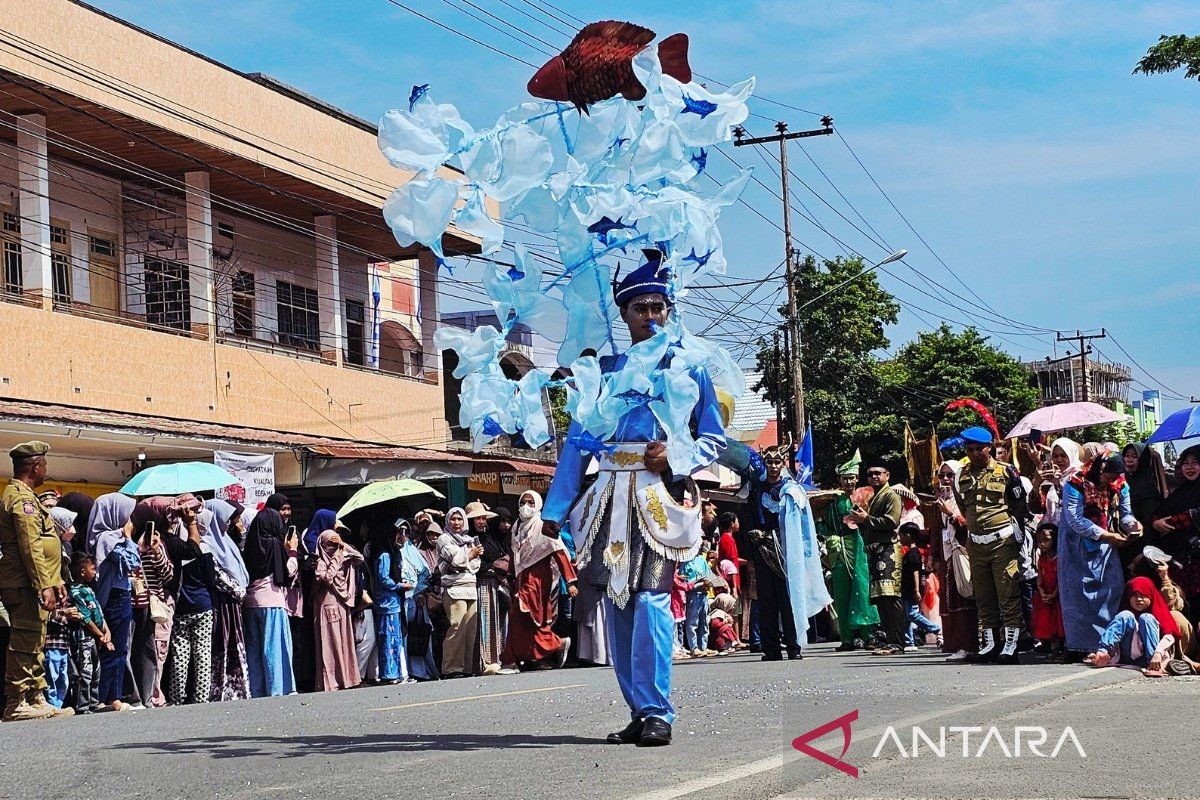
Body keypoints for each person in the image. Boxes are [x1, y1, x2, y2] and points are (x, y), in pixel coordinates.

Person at [541, 254, 726, 747]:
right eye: (640, 308)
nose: (650, 316)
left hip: (657, 498)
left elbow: (714, 437)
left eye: (658, 307)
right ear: (623, 314)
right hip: (607, 498)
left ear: (669, 310)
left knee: (652, 600)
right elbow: (578, 443)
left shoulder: (688, 368)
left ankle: (659, 710)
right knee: (617, 604)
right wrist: (555, 509)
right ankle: (639, 709)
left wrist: (676, 457)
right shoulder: (603, 372)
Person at [1, 442, 72, 721]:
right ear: (35, 467)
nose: (46, 470)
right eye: (44, 465)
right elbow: (30, 545)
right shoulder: (21, 499)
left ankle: (35, 696)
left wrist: (55, 580)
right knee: (25, 640)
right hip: (24, 583)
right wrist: (43, 584)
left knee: (36, 640)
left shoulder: (27, 496)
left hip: (33, 582)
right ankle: (17, 701)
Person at [951, 427, 1029, 664]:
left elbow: (1019, 505)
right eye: (969, 449)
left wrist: (1017, 535)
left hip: (1002, 541)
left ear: (990, 447)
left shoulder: (1006, 471)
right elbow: (963, 507)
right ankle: (991, 644)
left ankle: (1011, 645)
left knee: (1008, 593)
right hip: (976, 543)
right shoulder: (961, 475)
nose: (975, 453)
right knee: (983, 596)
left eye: (979, 449)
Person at [1060, 454, 1139, 657]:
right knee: (1079, 596)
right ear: (1099, 469)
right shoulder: (1075, 483)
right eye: (1108, 476)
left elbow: (1126, 513)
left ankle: (1107, 644)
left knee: (1110, 591)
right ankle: (1080, 647)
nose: (1111, 480)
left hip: (1106, 545)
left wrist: (1134, 526)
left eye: (1115, 476)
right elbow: (1075, 519)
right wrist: (1106, 535)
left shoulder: (1120, 485)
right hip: (1076, 545)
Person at [500, 490, 578, 669]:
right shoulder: (516, 527)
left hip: (538, 579)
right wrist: (510, 575)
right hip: (521, 578)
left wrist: (570, 582)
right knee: (527, 621)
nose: (525, 506)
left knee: (520, 612)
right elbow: (514, 554)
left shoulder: (543, 527)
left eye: (530, 503)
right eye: (522, 502)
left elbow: (559, 552)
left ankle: (512, 659)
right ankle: (540, 654)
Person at [157, 494, 217, 705]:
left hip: (181, 605)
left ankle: (176, 696)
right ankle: (201, 696)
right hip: (203, 604)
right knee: (202, 652)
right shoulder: (204, 550)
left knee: (180, 653)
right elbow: (212, 580)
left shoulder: (172, 548)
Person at [819, 454, 879, 652]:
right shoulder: (833, 502)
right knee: (842, 593)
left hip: (860, 547)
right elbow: (826, 526)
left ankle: (868, 635)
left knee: (862, 589)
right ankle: (847, 638)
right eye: (844, 478)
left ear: (857, 478)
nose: (848, 482)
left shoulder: (866, 497)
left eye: (851, 478)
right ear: (839, 480)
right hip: (838, 548)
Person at [242, 507, 298, 697]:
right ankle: (277, 688)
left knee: (254, 650)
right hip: (272, 602)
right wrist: (292, 552)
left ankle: (256, 690)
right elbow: (288, 571)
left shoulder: (249, 545)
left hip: (251, 604)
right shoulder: (274, 544)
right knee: (274, 648)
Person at [852, 465, 906, 656]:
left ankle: (898, 642)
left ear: (887, 475)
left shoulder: (891, 495)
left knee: (891, 597)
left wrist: (866, 519)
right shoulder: (874, 497)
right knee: (881, 599)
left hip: (887, 549)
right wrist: (860, 519)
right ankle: (890, 640)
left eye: (878, 473)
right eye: (870, 474)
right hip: (875, 550)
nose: (874, 476)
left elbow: (892, 522)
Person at [204, 499, 251, 702]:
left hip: (232, 604)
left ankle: (237, 688)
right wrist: (238, 591)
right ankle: (220, 689)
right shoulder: (208, 543)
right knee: (223, 643)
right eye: (226, 519)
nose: (229, 523)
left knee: (235, 642)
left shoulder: (225, 540)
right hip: (222, 603)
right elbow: (217, 575)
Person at [128, 500, 173, 708]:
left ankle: (149, 695)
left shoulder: (157, 544)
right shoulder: (127, 541)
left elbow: (167, 575)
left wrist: (155, 551)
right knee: (131, 649)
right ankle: (135, 694)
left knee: (149, 649)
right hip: (130, 602)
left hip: (150, 603)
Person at [1086, 576, 1179, 674]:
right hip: (1125, 657)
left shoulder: (1158, 613)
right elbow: (1114, 632)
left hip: (1153, 659)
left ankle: (1153, 667)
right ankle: (1103, 652)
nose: (1139, 599)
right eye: (1134, 595)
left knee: (1146, 618)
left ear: (1151, 596)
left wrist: (1157, 654)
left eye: (1143, 595)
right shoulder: (1126, 617)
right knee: (1125, 614)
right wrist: (1105, 652)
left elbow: (1169, 636)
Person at [1149, 444, 1200, 621]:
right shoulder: (1181, 491)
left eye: (1195, 462)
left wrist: (1168, 522)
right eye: (1186, 462)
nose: (1190, 467)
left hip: (1197, 560)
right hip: (1181, 561)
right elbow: (1159, 512)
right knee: (1183, 604)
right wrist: (1155, 522)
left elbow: (1194, 515)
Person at [933, 460, 977, 661]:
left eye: (950, 475)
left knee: (963, 596)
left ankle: (968, 645)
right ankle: (953, 643)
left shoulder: (966, 497)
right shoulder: (942, 500)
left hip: (963, 552)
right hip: (947, 555)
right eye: (942, 475)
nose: (945, 479)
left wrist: (951, 514)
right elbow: (937, 530)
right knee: (948, 598)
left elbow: (970, 525)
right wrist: (933, 556)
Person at [313, 528, 364, 691]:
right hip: (327, 605)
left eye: (334, 544)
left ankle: (346, 677)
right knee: (330, 642)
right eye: (330, 544)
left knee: (343, 640)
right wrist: (336, 559)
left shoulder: (343, 556)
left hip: (341, 603)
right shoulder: (321, 562)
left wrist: (343, 545)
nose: (333, 548)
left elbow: (359, 558)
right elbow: (327, 578)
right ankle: (330, 680)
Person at [436, 507, 482, 679]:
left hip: (470, 588)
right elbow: (455, 560)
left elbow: (475, 565)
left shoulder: (469, 539)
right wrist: (469, 556)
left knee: (470, 629)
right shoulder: (444, 538)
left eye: (460, 519)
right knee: (457, 627)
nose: (456, 522)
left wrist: (465, 560)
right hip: (454, 589)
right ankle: (451, 668)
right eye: (453, 519)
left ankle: (467, 668)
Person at [469, 501, 513, 676]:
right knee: (484, 623)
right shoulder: (470, 539)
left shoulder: (490, 538)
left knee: (496, 622)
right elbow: (475, 564)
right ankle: (484, 661)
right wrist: (492, 568)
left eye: (483, 518)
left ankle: (496, 658)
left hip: (495, 585)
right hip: (481, 584)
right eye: (477, 519)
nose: (481, 522)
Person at [370, 517, 415, 684]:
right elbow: (384, 578)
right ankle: (388, 674)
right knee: (388, 639)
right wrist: (400, 586)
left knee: (395, 639)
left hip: (393, 602)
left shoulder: (393, 553)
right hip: (386, 603)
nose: (399, 536)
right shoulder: (384, 555)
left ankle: (395, 672)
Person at [67, 554, 109, 713]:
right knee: (85, 672)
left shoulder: (89, 590)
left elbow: (98, 613)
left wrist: (106, 631)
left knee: (96, 671)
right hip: (83, 639)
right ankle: (82, 705)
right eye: (93, 569)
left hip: (95, 638)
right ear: (82, 571)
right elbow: (85, 618)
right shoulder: (75, 591)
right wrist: (100, 635)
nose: (95, 572)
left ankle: (94, 702)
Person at [398, 520, 439, 681]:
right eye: (400, 532)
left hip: (416, 599)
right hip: (399, 599)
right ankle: (403, 671)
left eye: (407, 532)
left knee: (419, 634)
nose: (404, 536)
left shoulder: (411, 549)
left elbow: (425, 573)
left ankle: (420, 671)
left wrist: (420, 593)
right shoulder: (392, 551)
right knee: (403, 636)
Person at [899, 524, 940, 652]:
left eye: (901, 535)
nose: (900, 538)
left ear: (908, 536)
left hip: (911, 589)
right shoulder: (911, 553)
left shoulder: (913, 554)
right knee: (906, 617)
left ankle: (934, 628)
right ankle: (909, 642)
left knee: (912, 614)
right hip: (906, 589)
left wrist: (916, 590)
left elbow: (915, 572)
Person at [1031, 523, 1065, 661]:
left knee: (1060, 624)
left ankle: (1064, 650)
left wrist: (1054, 594)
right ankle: (1054, 650)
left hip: (1058, 595)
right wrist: (1042, 592)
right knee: (1049, 624)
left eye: (1046, 540)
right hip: (1045, 595)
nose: (1042, 544)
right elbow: (1039, 578)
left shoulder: (1060, 558)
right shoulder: (1042, 559)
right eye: (1039, 541)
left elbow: (1061, 578)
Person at [678, 545, 715, 657]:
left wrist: (710, 582)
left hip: (704, 593)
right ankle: (694, 647)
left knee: (704, 621)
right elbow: (683, 581)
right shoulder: (684, 562)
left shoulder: (701, 560)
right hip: (692, 594)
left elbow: (710, 575)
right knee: (693, 622)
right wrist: (698, 583)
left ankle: (703, 646)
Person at [1123, 443, 1168, 530]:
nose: (1129, 460)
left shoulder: (1150, 491)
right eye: (1127, 456)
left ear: (1144, 460)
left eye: (1135, 456)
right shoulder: (1123, 483)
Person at [1038, 438, 1082, 527]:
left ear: (1071, 455)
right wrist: (1037, 482)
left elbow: (1077, 503)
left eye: (1063, 456)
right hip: (1054, 530)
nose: (1059, 460)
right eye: (1055, 456)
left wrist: (1059, 484)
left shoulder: (1080, 477)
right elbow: (1037, 508)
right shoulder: (1050, 478)